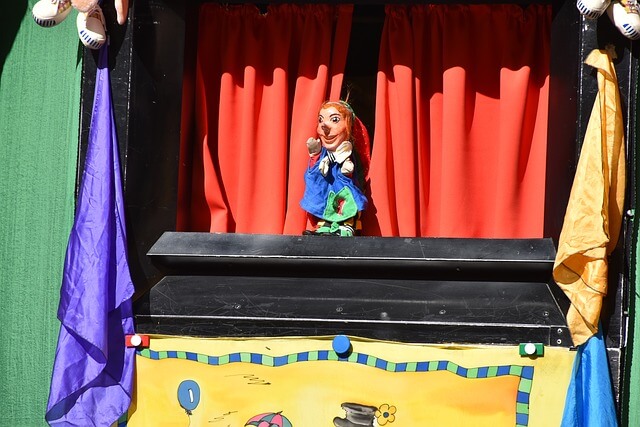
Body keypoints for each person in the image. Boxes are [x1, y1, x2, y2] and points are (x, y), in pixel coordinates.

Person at [300, 100, 369, 237]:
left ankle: (347, 225)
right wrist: (315, 157)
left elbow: (356, 177)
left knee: (346, 203)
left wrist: (347, 170)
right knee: (326, 200)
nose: (324, 126)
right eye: (321, 120)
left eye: (335, 120)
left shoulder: (346, 152)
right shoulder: (324, 154)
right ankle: (326, 225)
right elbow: (312, 176)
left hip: (343, 190)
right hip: (328, 189)